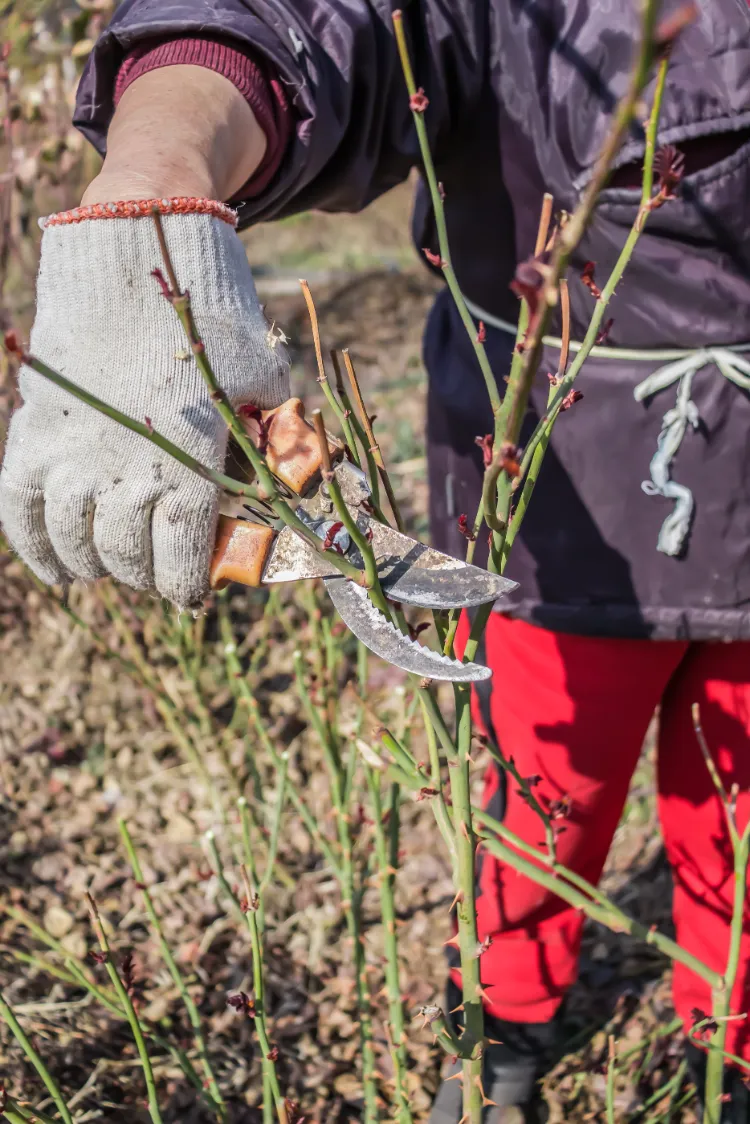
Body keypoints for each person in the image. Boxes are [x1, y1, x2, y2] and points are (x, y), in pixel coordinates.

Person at [2, 1, 750, 1119]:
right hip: (550, 499)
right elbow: (306, 18)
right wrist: (150, 186)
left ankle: (730, 1047)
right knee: (538, 797)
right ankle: (497, 1029)